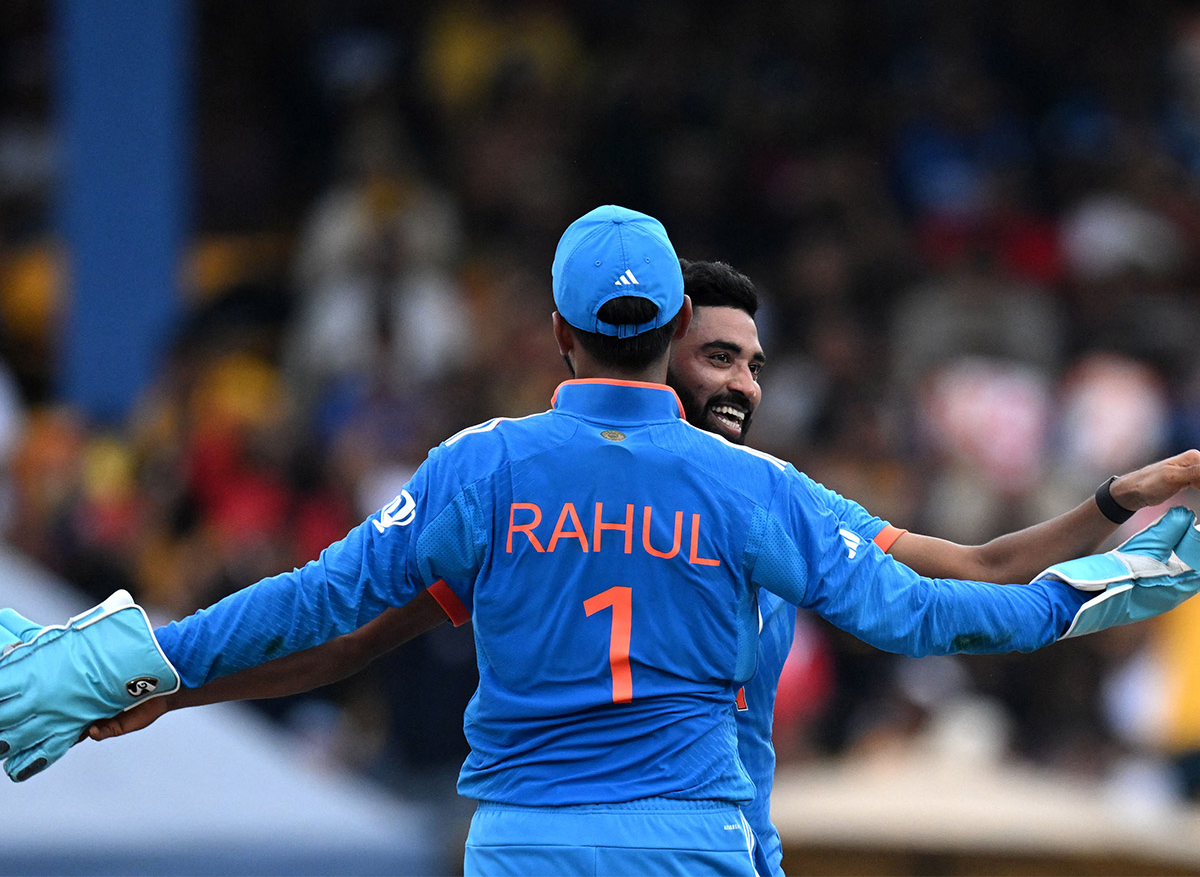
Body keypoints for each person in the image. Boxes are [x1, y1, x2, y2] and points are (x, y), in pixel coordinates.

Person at [3, 206, 1200, 877]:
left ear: (562, 333)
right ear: (677, 331)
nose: (741, 378)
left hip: (525, 850)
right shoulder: (751, 491)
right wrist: (1108, 580)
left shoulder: (483, 472)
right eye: (723, 354)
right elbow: (933, 606)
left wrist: (149, 662)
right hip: (698, 844)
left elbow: (323, 610)